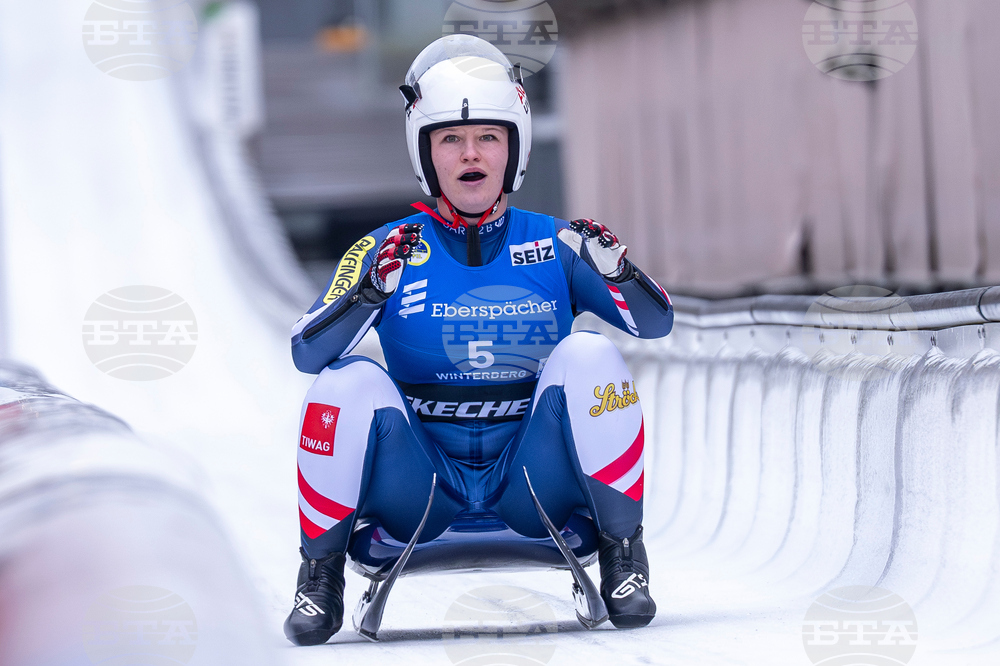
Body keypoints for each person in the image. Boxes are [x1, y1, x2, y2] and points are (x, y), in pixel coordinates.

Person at [283, 34, 674, 646]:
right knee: (345, 378)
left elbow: (654, 324)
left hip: (531, 484)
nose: (471, 153)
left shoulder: (560, 243)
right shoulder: (385, 249)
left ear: (512, 150)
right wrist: (369, 296)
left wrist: (620, 272)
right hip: (422, 491)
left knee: (591, 353)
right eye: (450, 139)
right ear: (426, 154)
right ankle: (319, 574)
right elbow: (306, 351)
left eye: (487, 137)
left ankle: (626, 555)